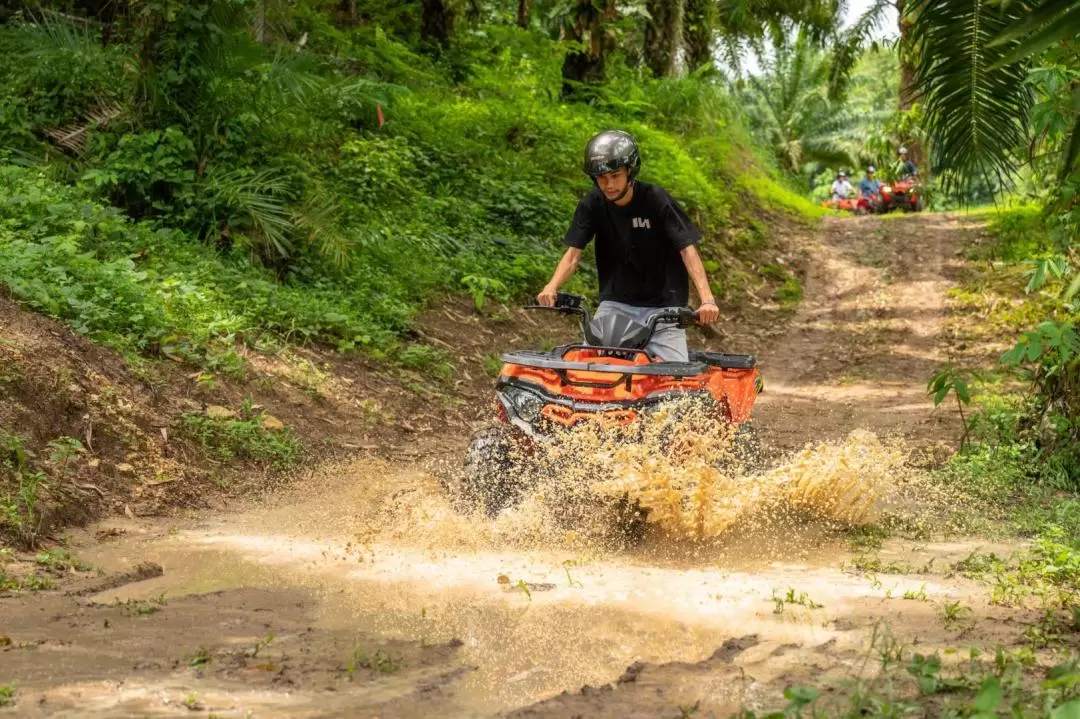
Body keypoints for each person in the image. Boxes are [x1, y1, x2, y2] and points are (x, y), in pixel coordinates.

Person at [536, 130, 719, 362]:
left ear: (630, 172)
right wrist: (551, 287)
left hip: (664, 307)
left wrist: (707, 300)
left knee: (676, 377)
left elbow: (687, 249)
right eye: (601, 178)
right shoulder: (592, 204)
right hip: (616, 305)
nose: (609, 184)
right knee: (587, 365)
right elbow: (573, 255)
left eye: (615, 176)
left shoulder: (655, 199)